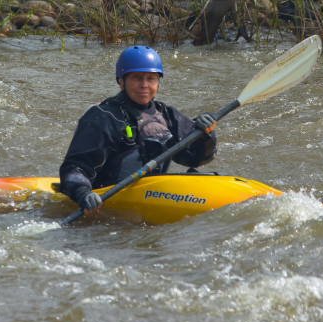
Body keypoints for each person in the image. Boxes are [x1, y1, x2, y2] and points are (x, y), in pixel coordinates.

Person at [59, 45, 218, 215]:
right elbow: (75, 167)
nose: (144, 85)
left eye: (151, 78)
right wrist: (82, 192)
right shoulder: (102, 117)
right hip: (105, 200)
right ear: (121, 81)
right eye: (136, 78)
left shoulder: (167, 115)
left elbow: (194, 160)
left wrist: (205, 135)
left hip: (151, 197)